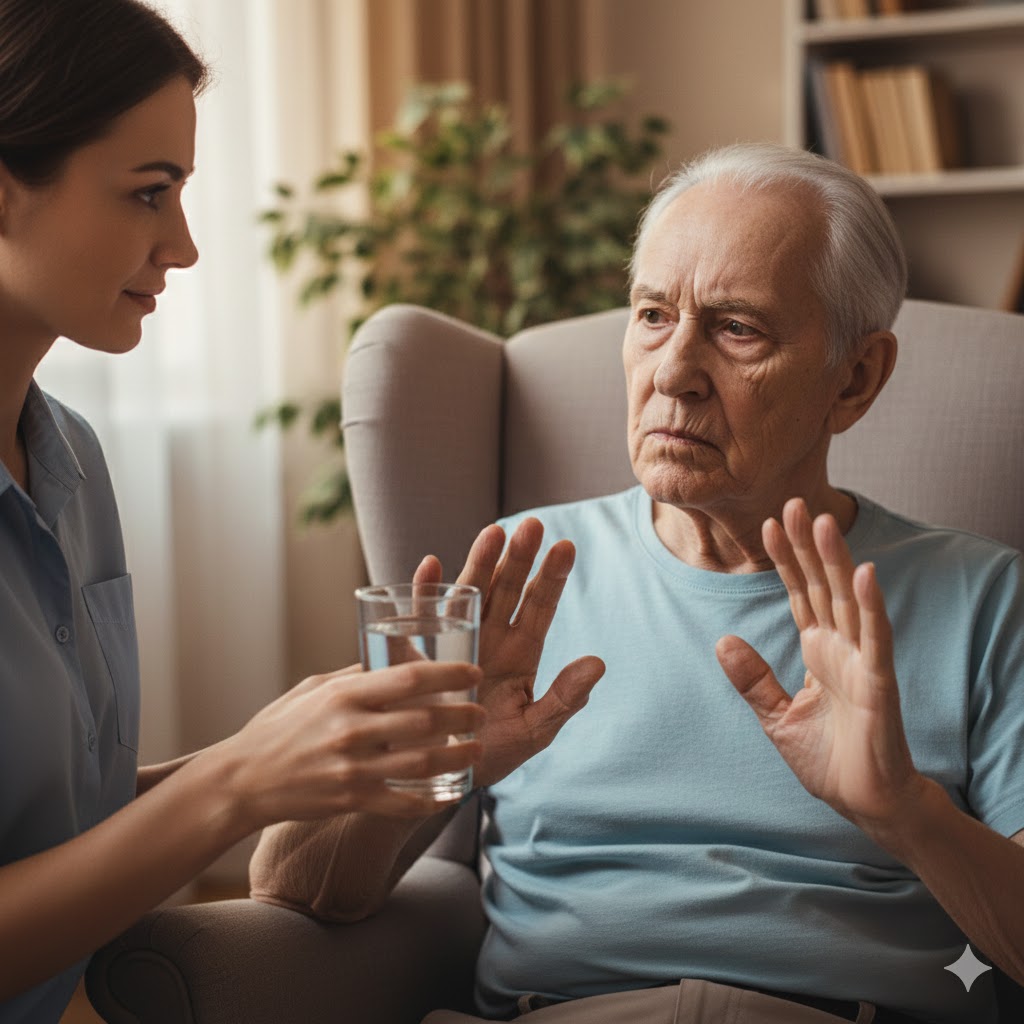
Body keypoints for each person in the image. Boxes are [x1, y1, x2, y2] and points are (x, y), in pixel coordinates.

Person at [251, 144, 1024, 1024]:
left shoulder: (985, 599)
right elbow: (293, 886)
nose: (673, 372)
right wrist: (427, 766)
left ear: (854, 379)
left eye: (738, 329)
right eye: (653, 315)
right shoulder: (521, 573)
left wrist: (907, 814)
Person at [0, 2, 494, 1021]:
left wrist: (291, 755)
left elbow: (46, 823)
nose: (180, 246)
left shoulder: (73, 466)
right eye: (149, 193)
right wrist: (232, 783)